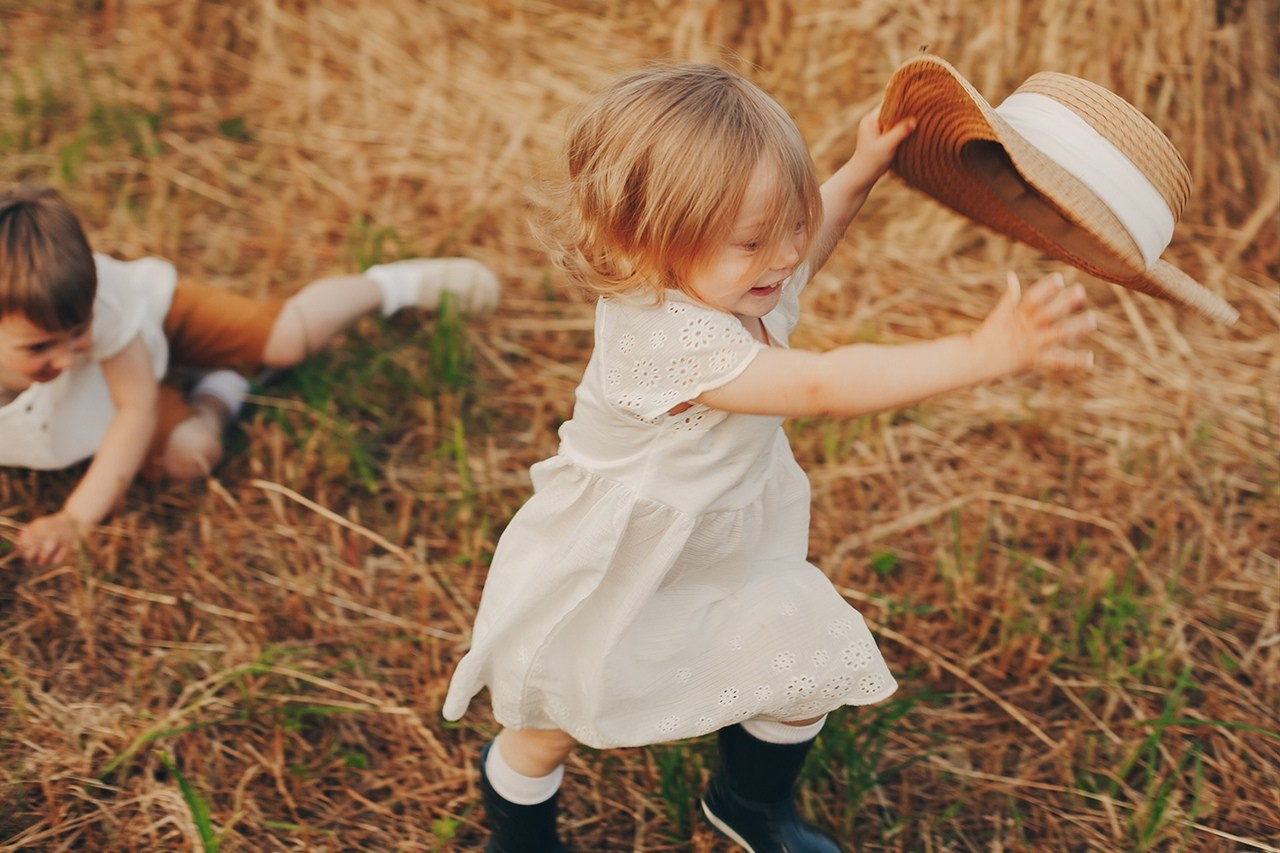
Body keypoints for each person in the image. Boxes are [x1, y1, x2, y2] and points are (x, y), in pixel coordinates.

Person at [442, 63, 1095, 852]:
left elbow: (810, 246)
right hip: (620, 564)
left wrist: (859, 170)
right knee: (557, 718)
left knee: (803, 662)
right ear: (639, 240)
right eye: (755, 239)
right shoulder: (666, 337)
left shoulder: (734, 283)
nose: (784, 256)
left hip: (725, 545)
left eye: (792, 221)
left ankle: (750, 806)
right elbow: (821, 383)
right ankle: (519, 826)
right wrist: (982, 351)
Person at [0, 184, 499, 567]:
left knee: (284, 340)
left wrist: (75, 518)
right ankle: (223, 390)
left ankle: (390, 285)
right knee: (192, 454)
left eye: (78, 331)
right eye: (41, 347)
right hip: (95, 403)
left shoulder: (100, 301)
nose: (69, 355)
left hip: (153, 323)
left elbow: (137, 406)